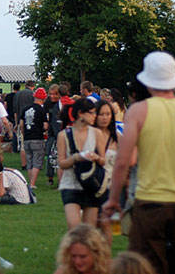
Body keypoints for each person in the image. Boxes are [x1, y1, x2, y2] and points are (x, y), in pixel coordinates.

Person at [103, 51, 175, 274]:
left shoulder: (138, 111)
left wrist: (113, 200)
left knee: (145, 266)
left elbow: (123, 161)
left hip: (150, 201)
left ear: (147, 80)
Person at [57, 99, 106, 229]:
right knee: (74, 227)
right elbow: (61, 163)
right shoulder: (63, 135)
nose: (95, 116)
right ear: (80, 114)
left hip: (91, 184)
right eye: (92, 113)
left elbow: (103, 160)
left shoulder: (96, 133)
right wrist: (76, 158)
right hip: (70, 184)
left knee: (89, 230)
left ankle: (87, 250)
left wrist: (96, 157)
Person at [93, 100, 120, 246]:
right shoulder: (88, 135)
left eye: (107, 114)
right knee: (91, 225)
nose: (104, 117)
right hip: (93, 184)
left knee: (105, 224)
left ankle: (105, 258)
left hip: (110, 187)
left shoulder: (117, 137)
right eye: (101, 114)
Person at [20, 87, 49, 190]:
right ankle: (32, 183)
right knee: (37, 161)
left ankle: (29, 182)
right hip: (38, 138)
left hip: (27, 137)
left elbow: (21, 125)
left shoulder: (25, 108)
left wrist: (24, 134)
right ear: (43, 99)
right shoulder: (42, 110)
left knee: (29, 161)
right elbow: (45, 126)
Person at [45, 84, 61, 186]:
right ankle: (50, 177)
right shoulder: (47, 104)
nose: (52, 96)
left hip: (60, 131)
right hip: (51, 132)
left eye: (55, 94)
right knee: (49, 153)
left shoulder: (61, 104)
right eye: (50, 94)